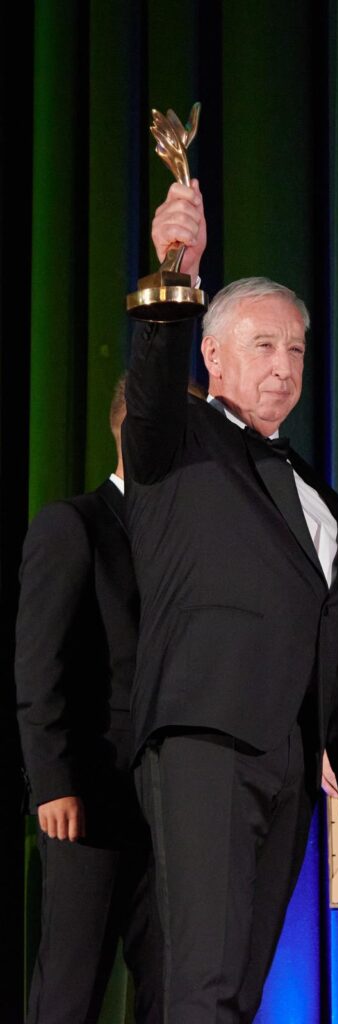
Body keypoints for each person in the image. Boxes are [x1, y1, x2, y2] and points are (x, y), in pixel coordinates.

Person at [123, 180, 338, 1022]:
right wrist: (176, 274)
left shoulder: (322, 500)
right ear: (213, 355)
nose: (284, 366)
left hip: (289, 756)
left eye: (297, 350)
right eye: (264, 345)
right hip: (203, 735)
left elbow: (337, 643)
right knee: (202, 977)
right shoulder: (180, 442)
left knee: (244, 983)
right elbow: (151, 390)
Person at [15, 377, 162, 1024]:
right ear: (131, 427)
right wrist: (53, 782)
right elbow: (38, 664)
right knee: (71, 988)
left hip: (173, 803)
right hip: (90, 797)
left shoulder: (196, 543)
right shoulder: (74, 524)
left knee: (171, 990)